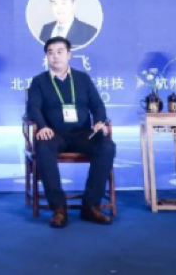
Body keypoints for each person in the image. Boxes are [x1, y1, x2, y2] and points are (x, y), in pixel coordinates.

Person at [26, 36, 115, 228]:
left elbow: (97, 105)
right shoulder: (39, 81)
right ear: (46, 57)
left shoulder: (83, 79)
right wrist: (42, 126)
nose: (55, 56)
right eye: (50, 53)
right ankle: (58, 208)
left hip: (82, 134)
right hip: (53, 134)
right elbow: (33, 108)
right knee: (43, 148)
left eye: (60, 52)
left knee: (107, 146)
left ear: (69, 55)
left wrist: (99, 122)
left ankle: (91, 206)